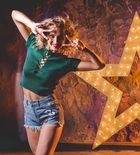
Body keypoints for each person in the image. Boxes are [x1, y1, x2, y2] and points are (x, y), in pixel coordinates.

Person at [11, 10, 105, 155]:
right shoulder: (32, 44)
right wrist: (31, 24)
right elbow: (14, 14)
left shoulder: (65, 62)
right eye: (52, 36)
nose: (56, 41)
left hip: (48, 110)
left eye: (60, 37)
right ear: (46, 34)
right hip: (29, 110)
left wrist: (84, 49)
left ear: (65, 39)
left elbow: (99, 65)